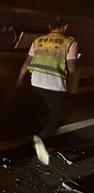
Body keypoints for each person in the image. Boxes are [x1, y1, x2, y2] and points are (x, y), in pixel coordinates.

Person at [16, 16, 79, 165]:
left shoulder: (38, 40)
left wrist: (19, 79)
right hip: (54, 85)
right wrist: (78, 63)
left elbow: (27, 62)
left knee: (41, 113)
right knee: (59, 116)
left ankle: (30, 143)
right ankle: (41, 139)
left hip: (36, 82)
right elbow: (72, 68)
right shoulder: (70, 42)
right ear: (65, 26)